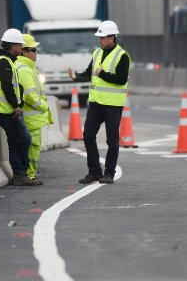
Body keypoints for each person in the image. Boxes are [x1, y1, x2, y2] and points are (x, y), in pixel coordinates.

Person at [67, 20, 131, 185]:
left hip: (112, 104)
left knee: (112, 140)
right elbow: (90, 74)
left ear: (112, 37)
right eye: (99, 37)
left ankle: (109, 174)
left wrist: (103, 74)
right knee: (88, 135)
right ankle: (94, 172)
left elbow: (121, 79)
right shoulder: (96, 53)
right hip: (95, 103)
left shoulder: (122, 56)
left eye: (102, 37)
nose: (100, 40)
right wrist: (76, 77)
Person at [0, 28, 40, 186]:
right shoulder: (3, 62)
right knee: (24, 139)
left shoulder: (7, 61)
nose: (22, 48)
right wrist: (16, 105)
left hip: (8, 110)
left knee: (14, 140)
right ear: (13, 46)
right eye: (20, 45)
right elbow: (7, 87)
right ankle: (21, 172)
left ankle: (19, 175)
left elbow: (14, 85)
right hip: (6, 111)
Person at [14, 34, 53, 182]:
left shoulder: (27, 67)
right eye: (33, 50)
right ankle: (30, 175)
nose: (36, 53)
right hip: (32, 118)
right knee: (33, 146)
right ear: (24, 51)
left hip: (31, 117)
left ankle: (29, 173)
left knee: (30, 146)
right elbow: (29, 96)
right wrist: (43, 105)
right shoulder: (24, 69)